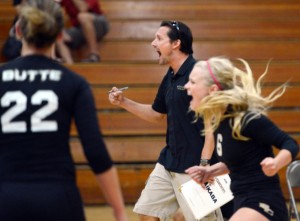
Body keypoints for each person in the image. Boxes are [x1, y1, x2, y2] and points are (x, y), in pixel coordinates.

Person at [0, 0, 128, 220]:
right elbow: (95, 151)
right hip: (58, 197)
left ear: (19, 30)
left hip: (6, 196)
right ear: (60, 35)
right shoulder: (73, 82)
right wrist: (118, 210)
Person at [108, 21, 225, 221]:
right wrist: (123, 102)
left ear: (176, 44)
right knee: (147, 214)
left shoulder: (199, 74)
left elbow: (211, 127)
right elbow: (157, 113)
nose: (153, 43)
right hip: (169, 161)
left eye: (159, 38)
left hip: (196, 166)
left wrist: (205, 166)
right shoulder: (170, 76)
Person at [184, 57, 300, 221]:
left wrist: (276, 163)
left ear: (212, 90)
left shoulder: (247, 119)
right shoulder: (220, 121)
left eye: (193, 82)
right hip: (241, 200)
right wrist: (209, 171)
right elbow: (236, 162)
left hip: (264, 202)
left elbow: (290, 144)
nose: (187, 86)